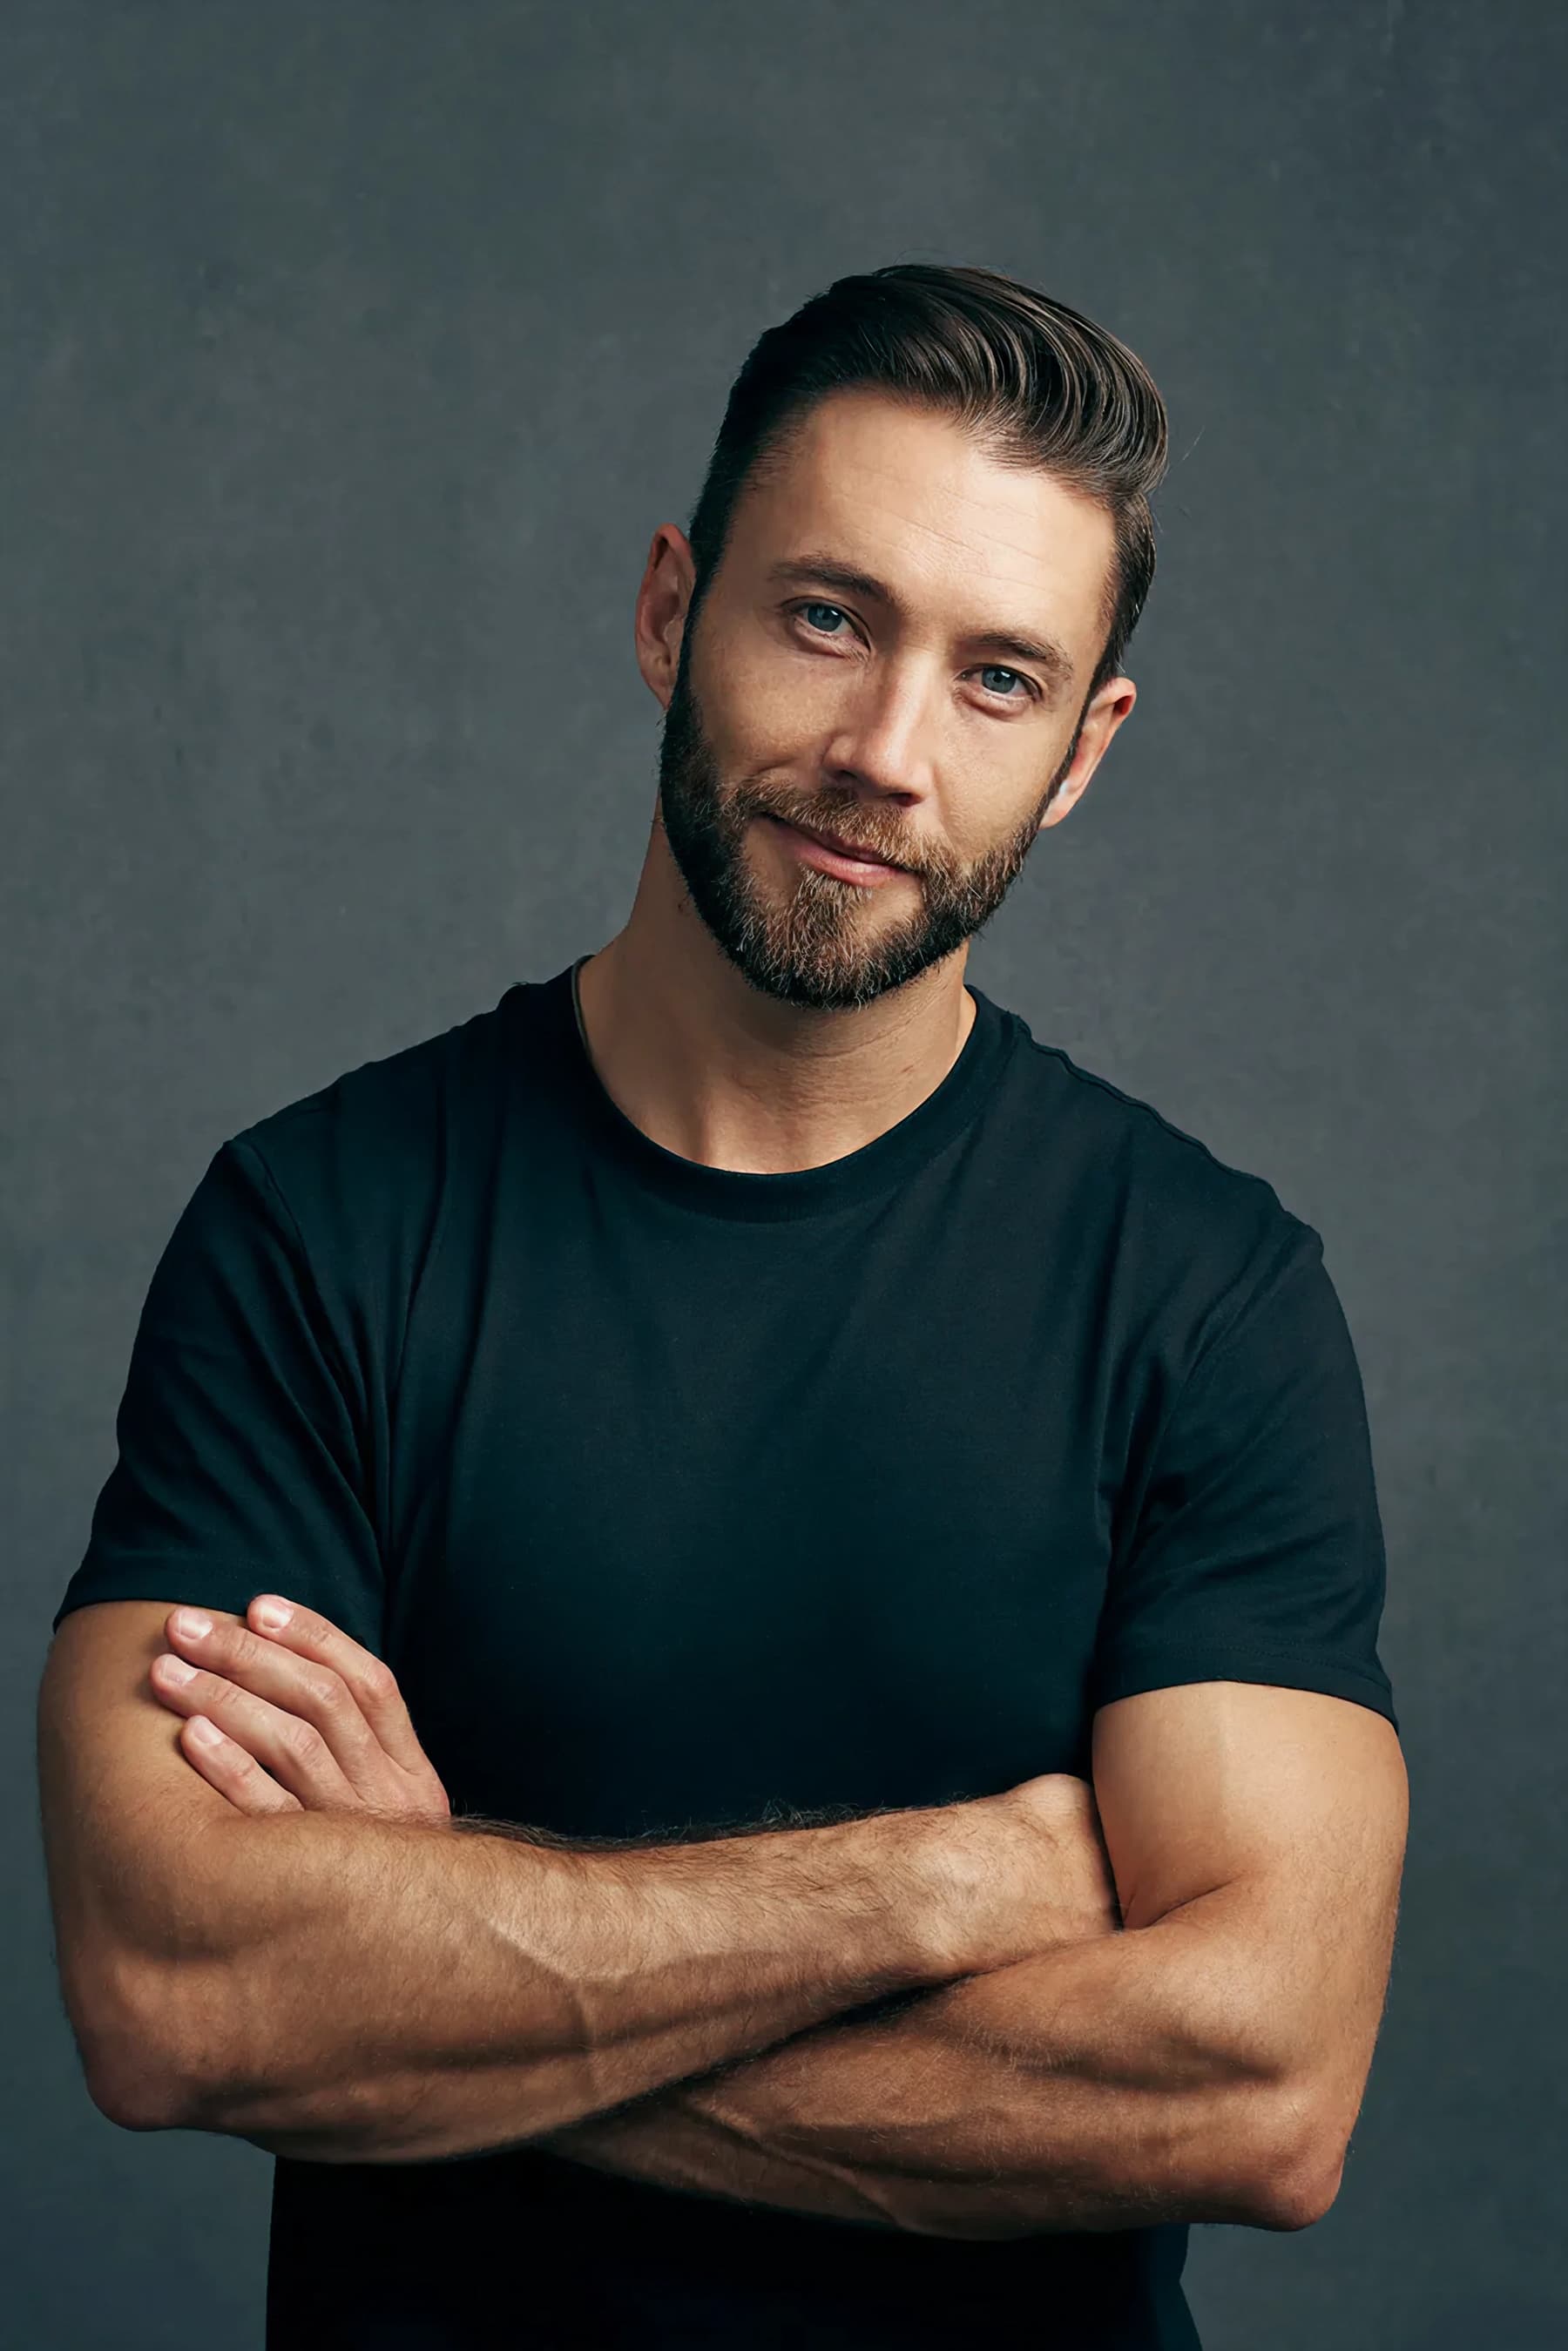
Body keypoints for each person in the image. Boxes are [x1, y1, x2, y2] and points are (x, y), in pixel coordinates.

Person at [37, 262, 1408, 2350]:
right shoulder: (320, 1231)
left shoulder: (1206, 1299)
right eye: (828, 616)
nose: (882, 752)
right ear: (677, 608)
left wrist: (451, 1963)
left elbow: (1266, 2083)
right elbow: (176, 1998)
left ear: (1083, 754)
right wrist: (935, 1889)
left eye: (999, 679)